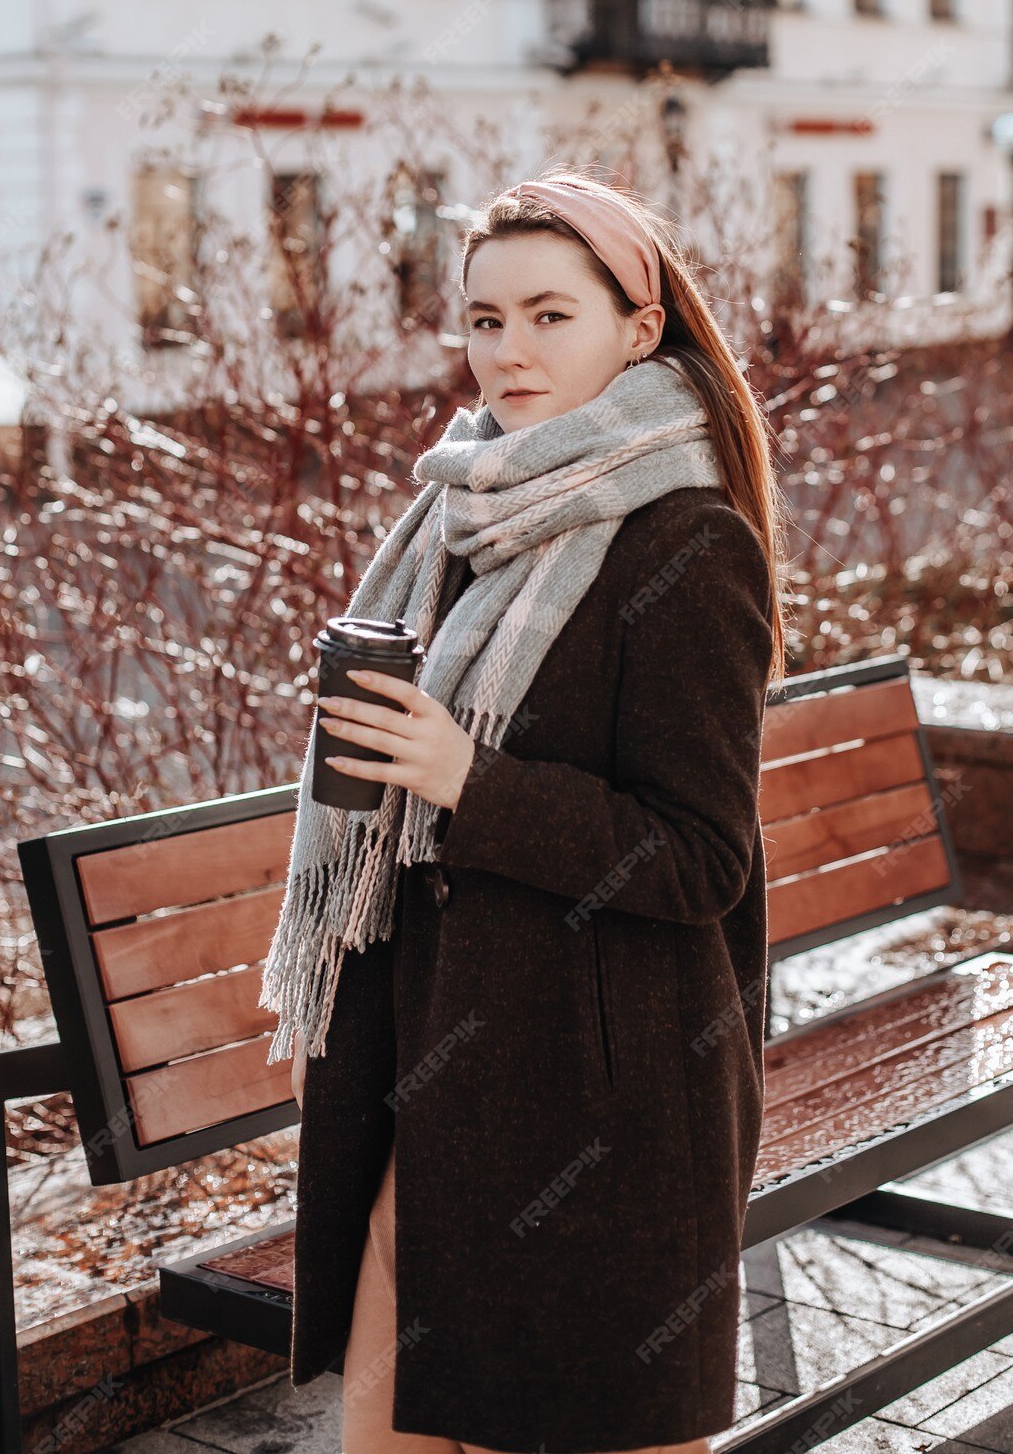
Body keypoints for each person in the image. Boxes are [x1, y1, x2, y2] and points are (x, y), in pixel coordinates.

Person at [260, 169, 788, 1454]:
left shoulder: (688, 542)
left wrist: (465, 778)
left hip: (602, 1105)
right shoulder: (461, 510)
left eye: (551, 315)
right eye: (486, 320)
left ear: (639, 324)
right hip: (435, 1069)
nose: (510, 351)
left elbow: (700, 855)